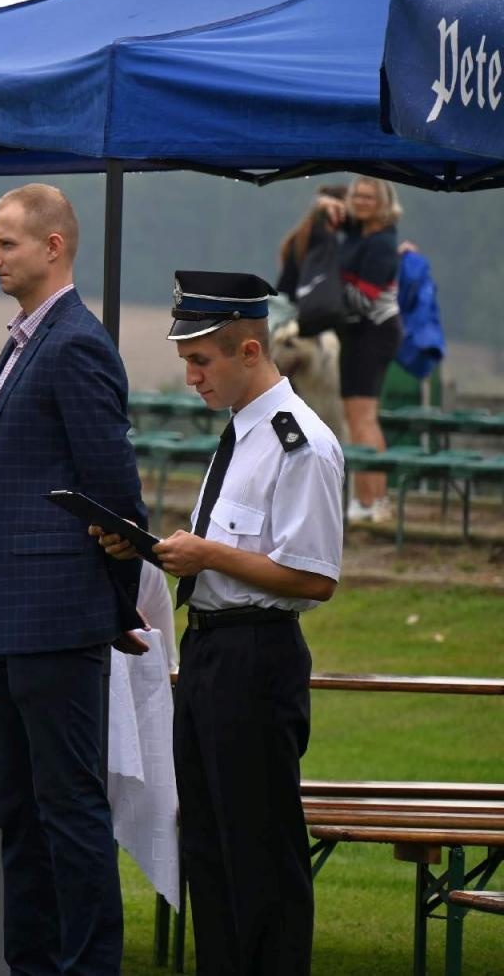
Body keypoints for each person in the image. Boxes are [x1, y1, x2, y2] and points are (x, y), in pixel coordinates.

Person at [95, 270, 342, 976]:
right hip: (209, 652)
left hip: (256, 657)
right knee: (208, 846)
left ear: (250, 351)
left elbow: (314, 577)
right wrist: (154, 551)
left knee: (259, 852)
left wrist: (207, 555)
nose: (192, 377)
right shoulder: (241, 434)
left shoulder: (298, 443)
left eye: (201, 360)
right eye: (187, 361)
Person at [0, 183, 148, 976]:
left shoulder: (76, 344)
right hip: (1, 622)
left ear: (53, 247)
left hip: (56, 619)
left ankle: (89, 967)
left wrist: (111, 606)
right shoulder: (25, 341)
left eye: (6, 243)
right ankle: (30, 964)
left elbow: (113, 494)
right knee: (20, 814)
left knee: (69, 811)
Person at [317, 177, 405, 522]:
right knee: (357, 419)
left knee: (363, 418)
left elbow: (364, 300)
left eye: (370, 197)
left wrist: (327, 285)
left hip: (374, 331)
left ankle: (372, 500)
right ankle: (370, 499)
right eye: (358, 195)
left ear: (384, 202)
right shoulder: (358, 231)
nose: (363, 201)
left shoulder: (382, 243)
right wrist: (327, 204)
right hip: (355, 333)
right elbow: (324, 200)